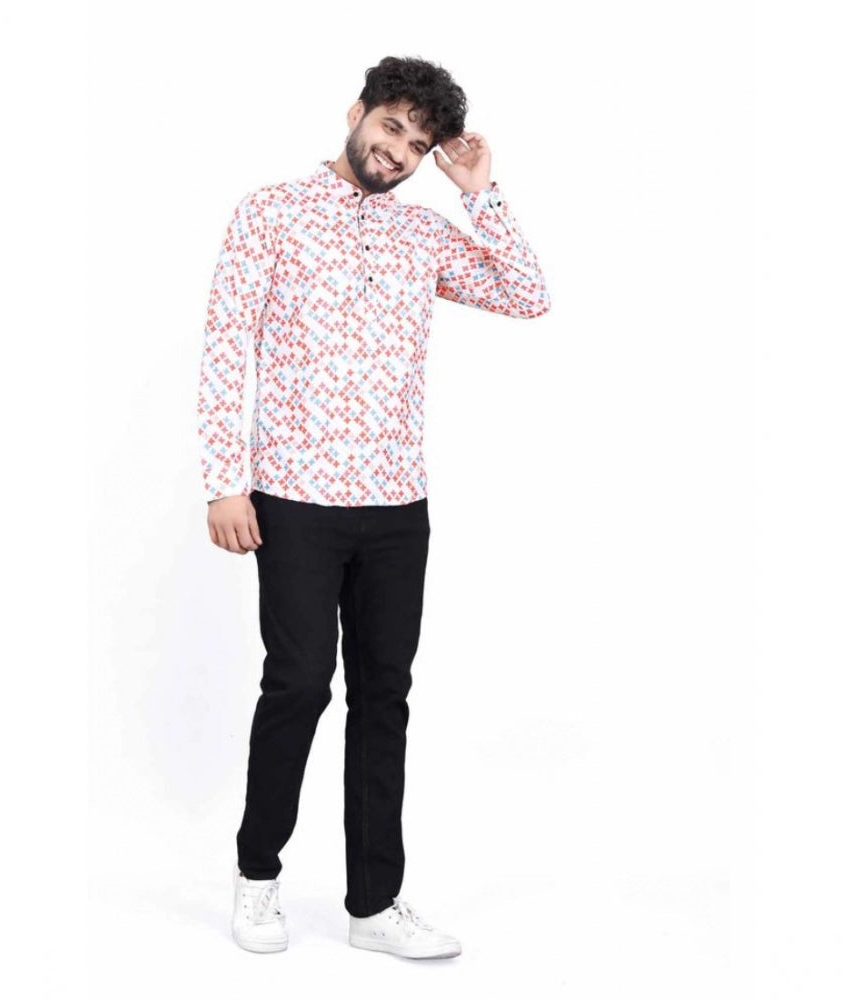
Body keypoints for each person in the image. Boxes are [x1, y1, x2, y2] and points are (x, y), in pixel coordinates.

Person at [196, 55, 550, 960]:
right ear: (357, 112)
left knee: (385, 697)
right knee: (299, 683)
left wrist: (480, 192)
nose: (399, 151)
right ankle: (258, 875)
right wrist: (225, 480)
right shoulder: (270, 212)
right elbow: (227, 345)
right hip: (295, 497)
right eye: (392, 127)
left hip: (397, 504)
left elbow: (527, 295)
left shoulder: (422, 233)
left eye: (419, 144)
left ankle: (374, 903)